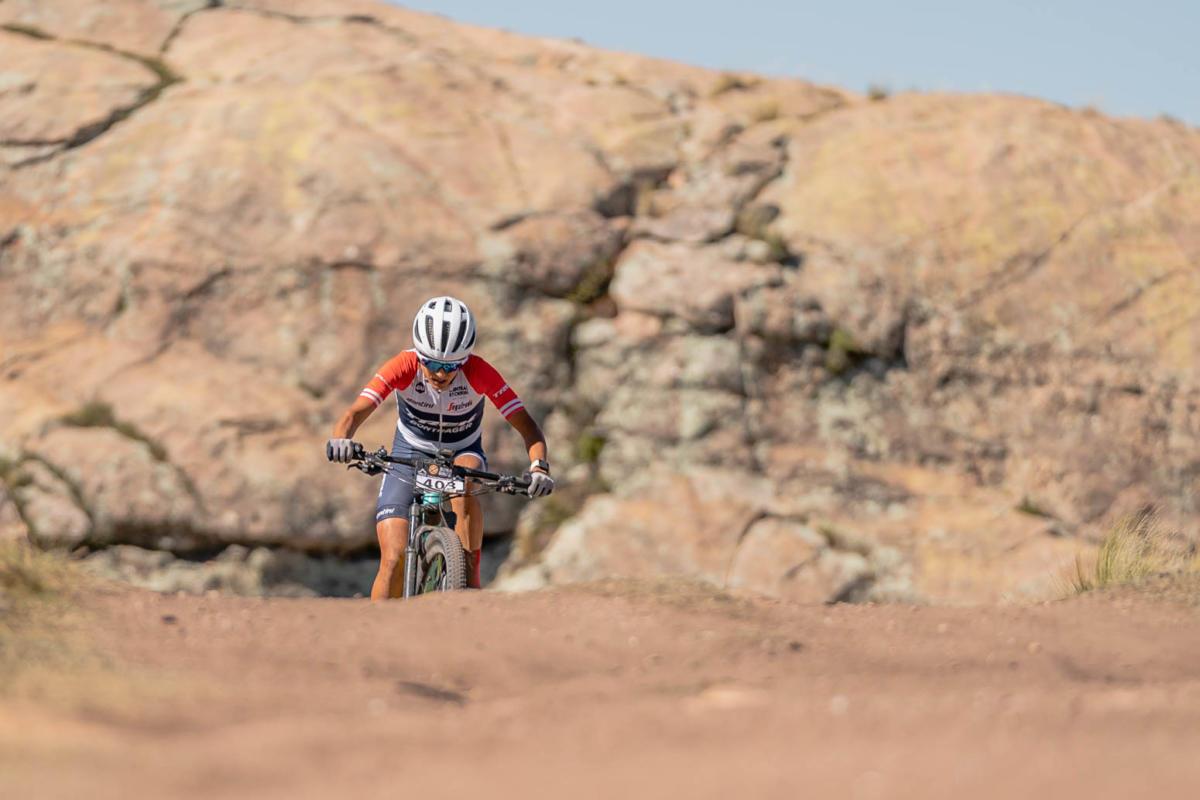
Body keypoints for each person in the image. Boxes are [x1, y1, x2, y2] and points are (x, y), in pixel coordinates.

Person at [326, 296, 553, 599]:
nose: (441, 374)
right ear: (419, 355)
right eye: (432, 364)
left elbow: (528, 427)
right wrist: (342, 439)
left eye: (451, 366)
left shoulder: (480, 372)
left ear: (465, 359)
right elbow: (354, 412)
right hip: (409, 451)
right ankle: (376, 622)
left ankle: (468, 576)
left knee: (466, 481)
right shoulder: (403, 365)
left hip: (463, 451)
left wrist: (539, 467)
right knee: (393, 559)